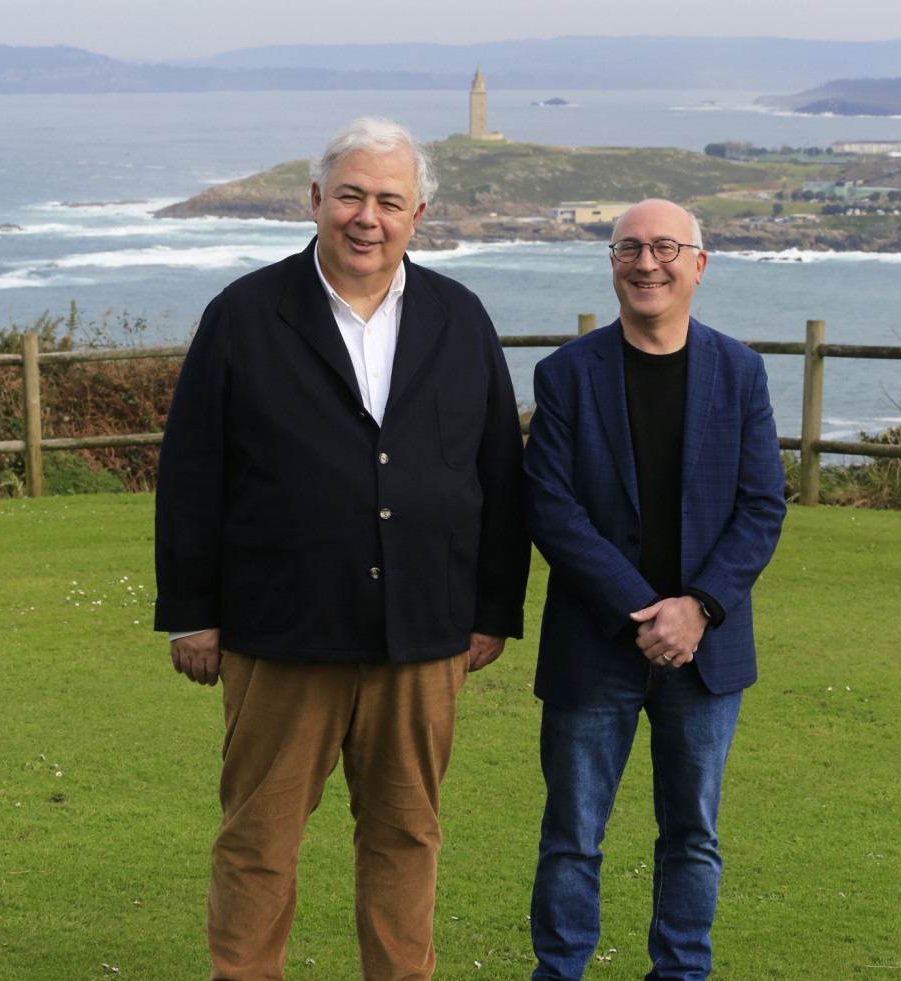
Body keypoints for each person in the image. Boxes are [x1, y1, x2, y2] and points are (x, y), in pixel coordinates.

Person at [154, 116, 530, 981]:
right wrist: (189, 614)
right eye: (352, 195)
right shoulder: (245, 314)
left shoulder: (459, 317)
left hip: (424, 634)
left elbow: (497, 476)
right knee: (257, 839)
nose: (369, 216)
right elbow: (191, 473)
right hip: (280, 630)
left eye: (389, 201)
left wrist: (491, 611)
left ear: (418, 213)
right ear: (316, 199)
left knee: (405, 837)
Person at [522, 198, 786, 980]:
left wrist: (696, 607)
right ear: (611, 264)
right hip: (593, 644)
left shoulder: (739, 371)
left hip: (706, 649)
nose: (646, 263)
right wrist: (646, 608)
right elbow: (549, 505)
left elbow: (761, 504)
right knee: (571, 832)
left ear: (698, 263)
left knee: (692, 833)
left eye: (665, 247)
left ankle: (680, 971)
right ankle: (560, 969)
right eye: (629, 248)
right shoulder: (566, 374)